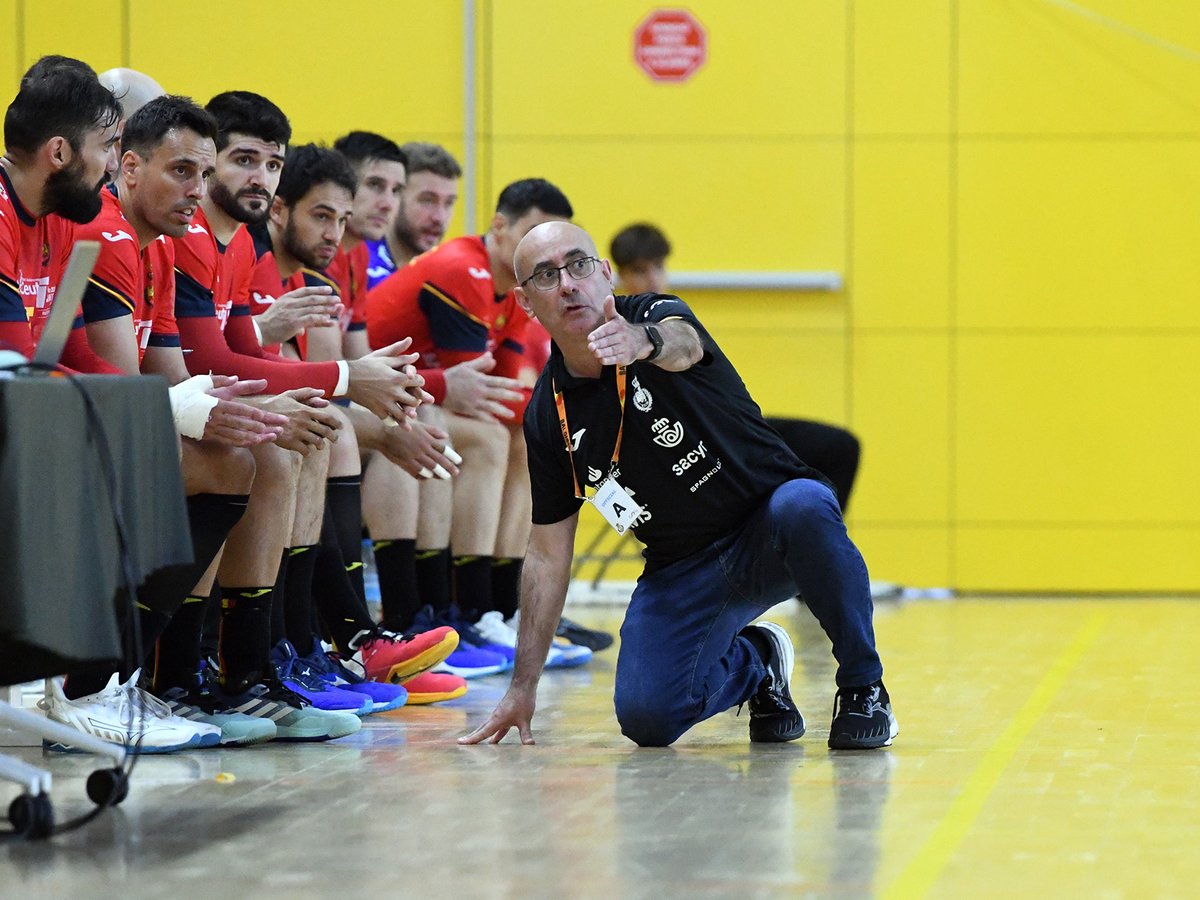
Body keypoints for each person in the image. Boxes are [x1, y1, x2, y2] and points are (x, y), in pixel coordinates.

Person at [460, 222, 898, 750]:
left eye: (578, 266)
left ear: (603, 274)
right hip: (682, 568)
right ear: (527, 302)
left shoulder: (654, 315)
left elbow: (683, 345)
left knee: (805, 502)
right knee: (648, 717)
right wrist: (522, 685)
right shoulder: (547, 417)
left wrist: (641, 343)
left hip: (771, 529)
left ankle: (862, 688)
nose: (569, 284)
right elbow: (549, 554)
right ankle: (758, 662)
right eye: (547, 276)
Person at [609, 222, 861, 511]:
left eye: (659, 267)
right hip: (688, 444)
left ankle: (813, 542)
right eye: (640, 271)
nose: (653, 280)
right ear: (621, 276)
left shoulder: (672, 317)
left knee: (839, 447)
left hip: (725, 424)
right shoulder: (622, 333)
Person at [365, 141, 460, 288]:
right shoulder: (360, 268)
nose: (439, 218)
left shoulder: (445, 278)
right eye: (427, 201)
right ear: (396, 197)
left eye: (448, 203)